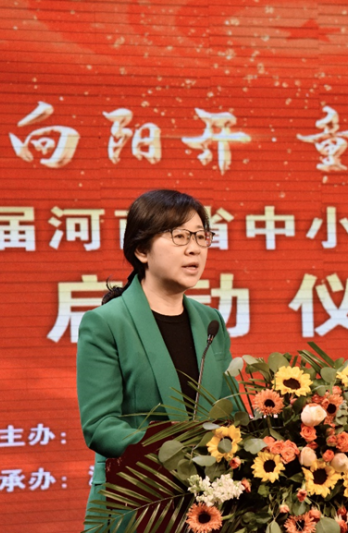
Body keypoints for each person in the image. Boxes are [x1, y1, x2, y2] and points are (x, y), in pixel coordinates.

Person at [76, 189, 234, 532]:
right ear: (141, 250)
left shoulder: (211, 322)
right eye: (180, 236)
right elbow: (100, 425)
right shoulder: (106, 323)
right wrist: (178, 450)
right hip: (136, 502)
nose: (194, 248)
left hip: (209, 506)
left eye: (201, 236)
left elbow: (229, 409)